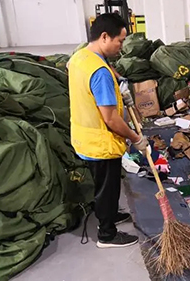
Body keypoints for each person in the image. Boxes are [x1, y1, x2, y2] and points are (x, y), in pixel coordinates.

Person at [68, 13, 148, 248]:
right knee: (107, 188)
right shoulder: (100, 74)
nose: (121, 47)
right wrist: (136, 138)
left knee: (104, 186)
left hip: (83, 136)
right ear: (105, 36)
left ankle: (109, 214)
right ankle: (107, 235)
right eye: (120, 41)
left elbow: (96, 67)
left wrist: (118, 77)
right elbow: (111, 119)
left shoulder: (79, 57)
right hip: (100, 142)